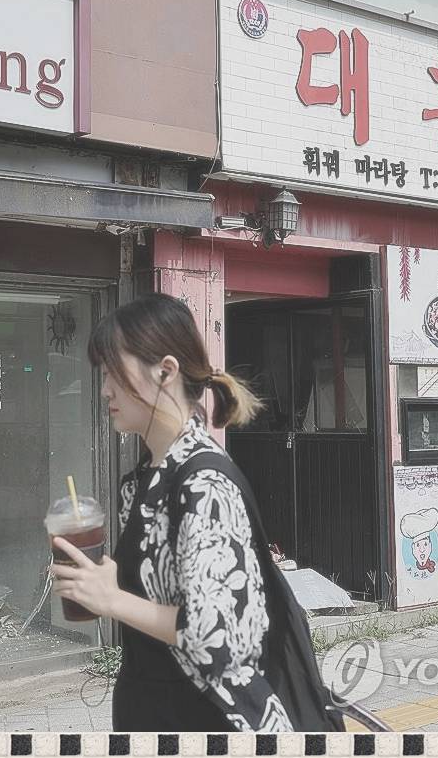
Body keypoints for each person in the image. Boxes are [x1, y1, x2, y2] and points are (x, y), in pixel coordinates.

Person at [50, 293, 334, 733]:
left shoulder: (204, 483)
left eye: (112, 372)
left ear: (165, 371)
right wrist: (104, 582)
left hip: (211, 719)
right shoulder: (141, 481)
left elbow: (215, 637)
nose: (104, 389)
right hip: (154, 711)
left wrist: (112, 599)